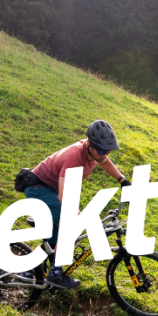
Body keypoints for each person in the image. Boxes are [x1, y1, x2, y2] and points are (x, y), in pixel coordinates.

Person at [22, 120, 128, 288]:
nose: (103, 154)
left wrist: (122, 180)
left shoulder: (95, 154)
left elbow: (105, 161)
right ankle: (56, 273)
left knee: (55, 237)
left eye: (107, 150)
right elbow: (64, 197)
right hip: (39, 188)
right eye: (101, 150)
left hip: (50, 189)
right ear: (89, 145)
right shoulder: (74, 157)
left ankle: (27, 269)